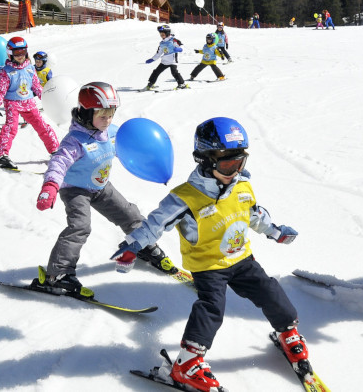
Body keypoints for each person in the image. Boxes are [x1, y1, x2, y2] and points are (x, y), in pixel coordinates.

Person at [111, 117, 310, 392]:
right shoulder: (186, 197)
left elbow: (254, 215)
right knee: (212, 307)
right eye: (228, 165)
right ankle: (187, 363)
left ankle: (288, 332)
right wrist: (133, 246)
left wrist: (275, 232)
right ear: (205, 160)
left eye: (240, 163)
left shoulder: (242, 186)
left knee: (270, 291)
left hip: (242, 259)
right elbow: (155, 224)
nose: (235, 171)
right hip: (208, 266)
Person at [34, 82, 172, 292]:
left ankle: (143, 244)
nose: (107, 120)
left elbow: (131, 145)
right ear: (86, 113)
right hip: (75, 190)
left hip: (100, 186)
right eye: (102, 116)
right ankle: (57, 274)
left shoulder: (111, 133)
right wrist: (51, 186)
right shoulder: (75, 141)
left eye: (110, 115)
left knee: (130, 214)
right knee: (80, 226)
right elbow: (58, 162)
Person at [0, 37, 59, 170]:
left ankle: (55, 150)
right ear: (10, 54)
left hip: (29, 103)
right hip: (12, 104)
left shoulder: (30, 68)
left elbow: (36, 87)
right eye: (17, 53)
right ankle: (0, 155)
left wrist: (47, 98)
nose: (20, 56)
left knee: (42, 126)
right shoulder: (6, 71)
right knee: (11, 128)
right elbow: (0, 90)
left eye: (23, 52)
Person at [145, 24, 188, 91]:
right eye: (160, 34)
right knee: (156, 72)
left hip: (172, 61)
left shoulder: (173, 40)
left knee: (174, 72)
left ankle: (182, 84)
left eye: (163, 34)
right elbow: (159, 53)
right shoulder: (162, 43)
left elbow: (182, 46)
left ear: (167, 33)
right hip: (164, 61)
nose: (161, 35)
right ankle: (151, 84)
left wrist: (179, 49)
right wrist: (152, 59)